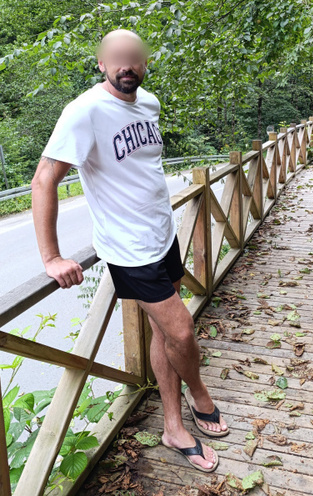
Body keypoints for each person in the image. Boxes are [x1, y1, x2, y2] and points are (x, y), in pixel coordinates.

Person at [31, 29, 229, 473]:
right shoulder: (83, 111)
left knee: (164, 333)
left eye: (134, 57)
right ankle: (199, 394)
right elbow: (43, 179)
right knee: (181, 333)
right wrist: (52, 257)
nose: (127, 65)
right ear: (101, 63)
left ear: (144, 62)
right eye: (117, 57)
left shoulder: (149, 103)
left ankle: (173, 427)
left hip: (163, 235)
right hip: (129, 250)